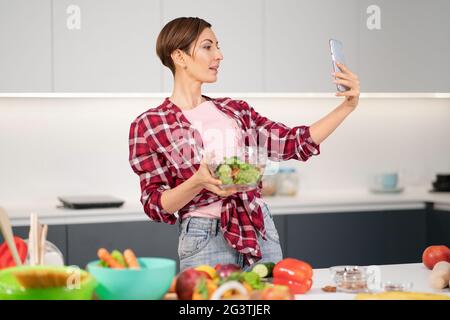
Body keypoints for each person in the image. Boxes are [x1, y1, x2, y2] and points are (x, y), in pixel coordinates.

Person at [128, 17, 360, 271]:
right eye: (208, 47)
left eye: (218, 46)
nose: (219, 55)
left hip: (258, 227)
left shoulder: (235, 111)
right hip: (203, 237)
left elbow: (293, 143)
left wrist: (347, 107)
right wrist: (197, 182)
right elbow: (156, 204)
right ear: (179, 57)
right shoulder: (149, 124)